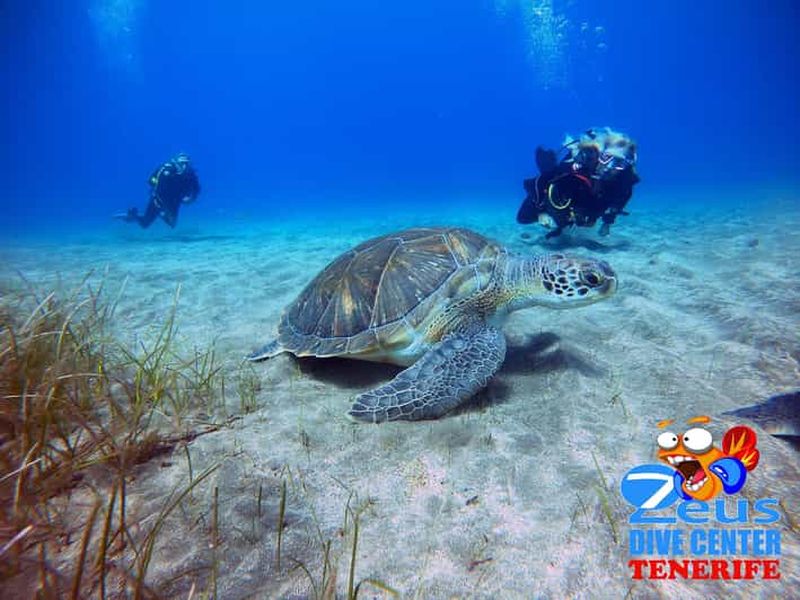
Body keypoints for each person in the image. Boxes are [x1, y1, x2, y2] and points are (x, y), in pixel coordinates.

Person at [516, 128, 639, 239]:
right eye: (608, 158)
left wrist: (607, 223)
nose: (611, 168)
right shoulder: (573, 169)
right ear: (598, 154)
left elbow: (617, 204)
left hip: (586, 211)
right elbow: (545, 184)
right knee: (524, 217)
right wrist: (541, 213)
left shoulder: (624, 181)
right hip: (559, 204)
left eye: (620, 163)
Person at [115, 153, 200, 229]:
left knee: (172, 224)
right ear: (177, 163)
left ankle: (159, 214)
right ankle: (133, 216)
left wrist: (191, 198)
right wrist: (162, 204)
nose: (184, 166)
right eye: (182, 163)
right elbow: (153, 183)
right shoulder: (167, 170)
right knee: (145, 224)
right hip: (158, 199)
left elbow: (197, 189)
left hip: (175, 201)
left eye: (186, 163)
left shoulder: (190, 174)